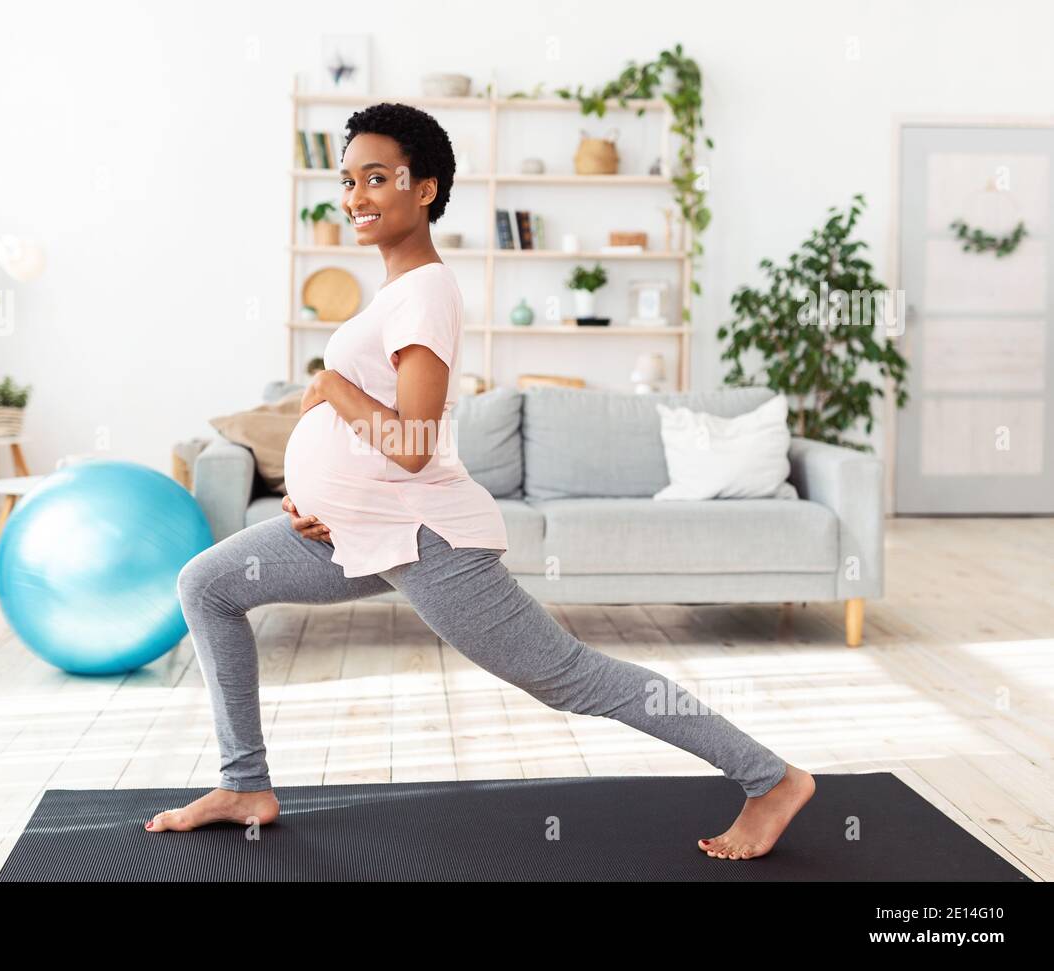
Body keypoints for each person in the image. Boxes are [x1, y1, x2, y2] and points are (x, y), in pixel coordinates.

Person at [150, 103, 814, 860]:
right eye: (348, 180)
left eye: (377, 178)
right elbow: (381, 446)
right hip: (360, 533)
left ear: (424, 188)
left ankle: (771, 778)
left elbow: (412, 443)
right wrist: (325, 494)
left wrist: (332, 387)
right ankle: (245, 783)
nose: (357, 196)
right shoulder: (395, 292)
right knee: (208, 585)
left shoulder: (426, 293)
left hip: (429, 541)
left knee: (570, 677)